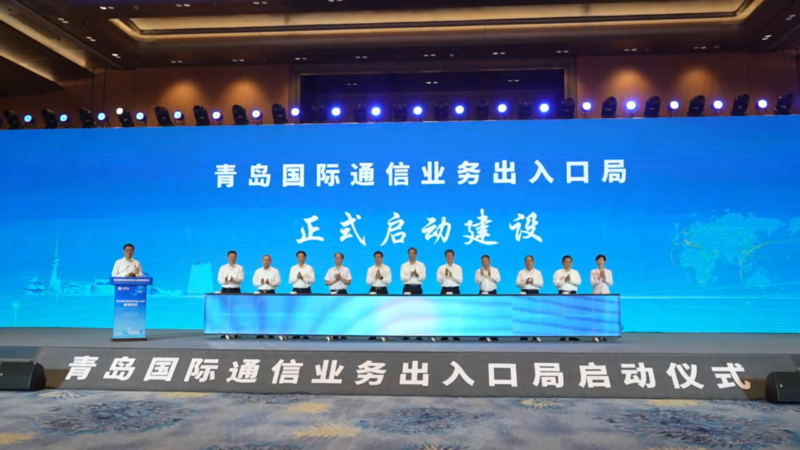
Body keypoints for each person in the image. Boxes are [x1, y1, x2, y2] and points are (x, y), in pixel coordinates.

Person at [437, 249, 463, 341]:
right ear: (445, 257)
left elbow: (460, 280)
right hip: (445, 289)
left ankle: (456, 334)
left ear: (453, 256)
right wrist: (444, 276)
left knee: (455, 312)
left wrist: (451, 276)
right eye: (447, 256)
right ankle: (445, 334)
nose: (449, 257)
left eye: (450, 255)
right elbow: (439, 280)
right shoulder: (441, 268)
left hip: (455, 289)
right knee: (444, 312)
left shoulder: (458, 268)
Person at [553, 255, 581, 341]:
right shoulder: (558, 272)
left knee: (572, 314)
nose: (567, 263)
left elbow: (578, 282)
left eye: (569, 262)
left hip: (572, 294)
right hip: (562, 293)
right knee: (562, 314)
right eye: (565, 262)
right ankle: (563, 334)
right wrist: (564, 280)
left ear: (571, 263)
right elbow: (556, 283)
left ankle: (572, 334)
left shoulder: (575, 272)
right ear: (562, 262)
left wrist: (569, 280)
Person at [516, 255, 544, 341]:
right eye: (526, 261)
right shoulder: (521, 272)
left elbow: (541, 284)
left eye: (530, 261)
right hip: (524, 293)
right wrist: (525, 282)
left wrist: (532, 282)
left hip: (534, 293)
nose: (528, 262)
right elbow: (517, 283)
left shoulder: (538, 272)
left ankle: (535, 334)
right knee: (523, 314)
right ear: (524, 262)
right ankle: (524, 334)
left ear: (533, 262)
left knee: (534, 314)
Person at [252, 254, 280, 339]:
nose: (266, 261)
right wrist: (261, 282)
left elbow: (278, 282)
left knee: (270, 313)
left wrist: (270, 282)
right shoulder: (258, 271)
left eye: (268, 260)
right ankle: (260, 332)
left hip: (270, 292)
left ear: (271, 261)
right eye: (264, 260)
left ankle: (270, 331)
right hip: (260, 293)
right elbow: (254, 282)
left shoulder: (275, 271)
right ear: (262, 261)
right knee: (260, 313)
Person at [217, 250, 244, 340]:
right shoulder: (223, 268)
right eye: (231, 257)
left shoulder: (239, 268)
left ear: (236, 258)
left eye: (234, 257)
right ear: (227, 258)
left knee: (236, 311)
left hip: (235, 290)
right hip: (225, 290)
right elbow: (219, 280)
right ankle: (225, 331)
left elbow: (240, 279)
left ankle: (236, 332)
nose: (232, 258)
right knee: (225, 311)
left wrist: (233, 279)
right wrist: (226, 280)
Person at [475, 254, 501, 342]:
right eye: (483, 261)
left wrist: (489, 275)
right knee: (482, 314)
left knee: (493, 314)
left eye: (486, 261)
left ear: (490, 261)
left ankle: (493, 334)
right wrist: (482, 275)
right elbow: (477, 281)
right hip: (482, 293)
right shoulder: (478, 271)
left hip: (492, 293)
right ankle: (483, 334)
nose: (484, 263)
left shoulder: (495, 270)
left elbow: (498, 280)